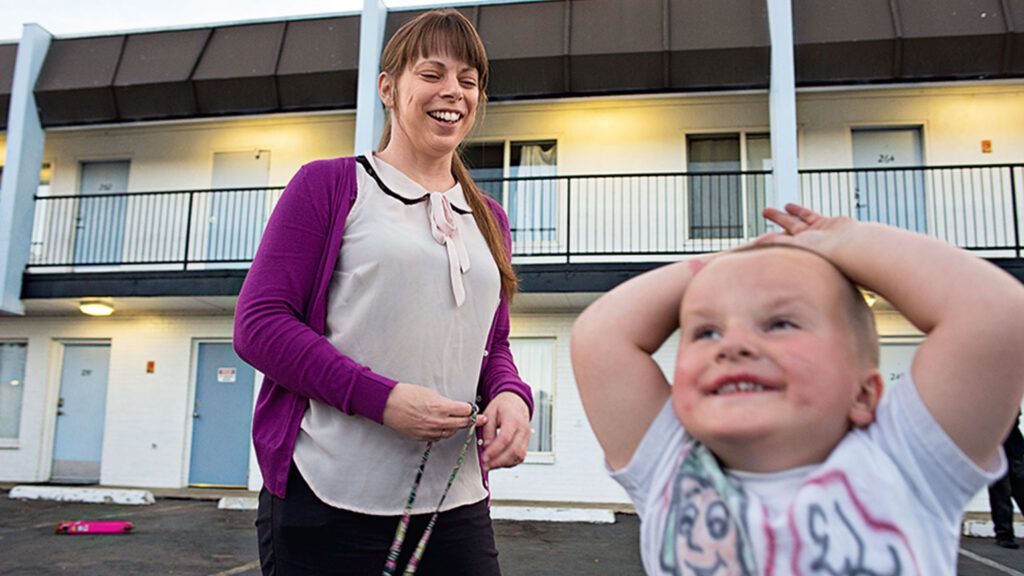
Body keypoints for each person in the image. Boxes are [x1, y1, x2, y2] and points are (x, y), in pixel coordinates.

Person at [233, 10, 533, 575]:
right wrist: (384, 400)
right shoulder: (331, 185)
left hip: (455, 500)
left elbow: (492, 346)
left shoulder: (490, 218)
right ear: (388, 89)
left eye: (469, 81)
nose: (453, 92)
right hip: (329, 495)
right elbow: (260, 324)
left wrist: (513, 397)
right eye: (433, 74)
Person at [571, 203, 1024, 574]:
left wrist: (847, 242)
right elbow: (600, 335)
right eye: (706, 331)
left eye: (781, 323)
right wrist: (728, 261)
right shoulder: (670, 465)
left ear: (864, 395)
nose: (733, 345)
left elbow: (996, 315)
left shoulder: (905, 461)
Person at [988, 411, 1024, 549]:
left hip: (1012, 446)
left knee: (1014, 489)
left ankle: (1004, 534)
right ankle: (1004, 534)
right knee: (1001, 493)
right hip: (998, 448)